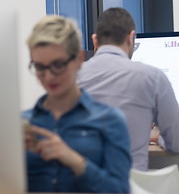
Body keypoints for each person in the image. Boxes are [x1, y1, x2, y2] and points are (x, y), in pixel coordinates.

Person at [24, 15, 131, 193]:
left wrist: (75, 161)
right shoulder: (24, 124)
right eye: (40, 67)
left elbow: (119, 190)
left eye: (58, 65)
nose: (48, 77)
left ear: (79, 60)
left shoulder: (109, 120)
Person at [77, 7, 179, 172]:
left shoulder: (71, 78)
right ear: (131, 38)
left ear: (95, 41)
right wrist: (159, 138)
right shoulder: (152, 76)